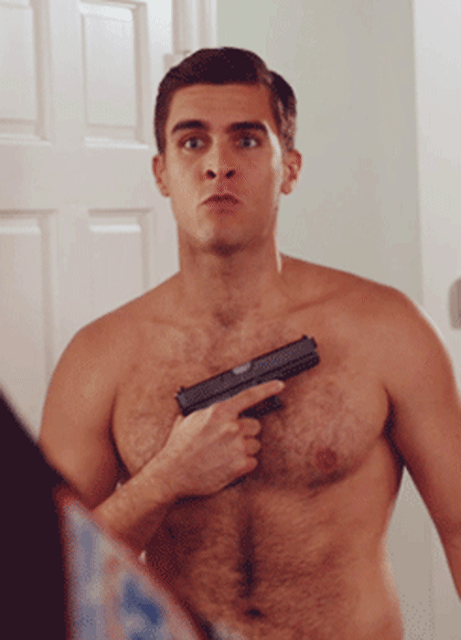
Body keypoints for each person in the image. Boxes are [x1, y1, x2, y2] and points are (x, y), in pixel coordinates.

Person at [39, 47, 461, 639]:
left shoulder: (387, 330)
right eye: (192, 142)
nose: (219, 165)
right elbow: (48, 575)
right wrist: (166, 479)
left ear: (290, 168)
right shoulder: (98, 360)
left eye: (246, 140)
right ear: (161, 173)